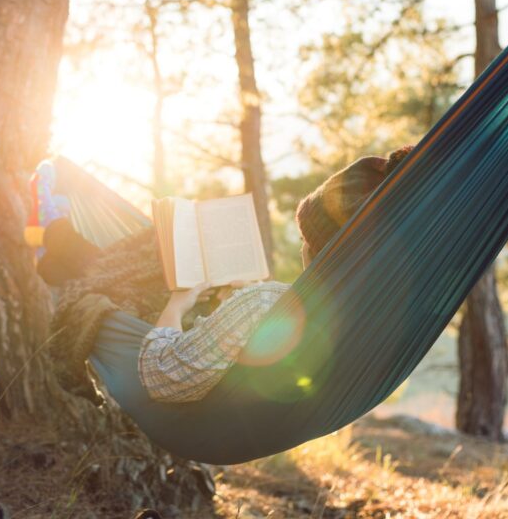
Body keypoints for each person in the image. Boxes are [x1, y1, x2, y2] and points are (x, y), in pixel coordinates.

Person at [32, 145, 413, 404]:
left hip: (183, 409)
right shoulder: (376, 325)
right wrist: (229, 308)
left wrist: (177, 306)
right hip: (242, 409)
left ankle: (59, 238)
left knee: (133, 272)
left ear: (314, 248)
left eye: (304, 234)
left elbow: (161, 375)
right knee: (144, 263)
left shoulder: (266, 304)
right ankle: (64, 243)